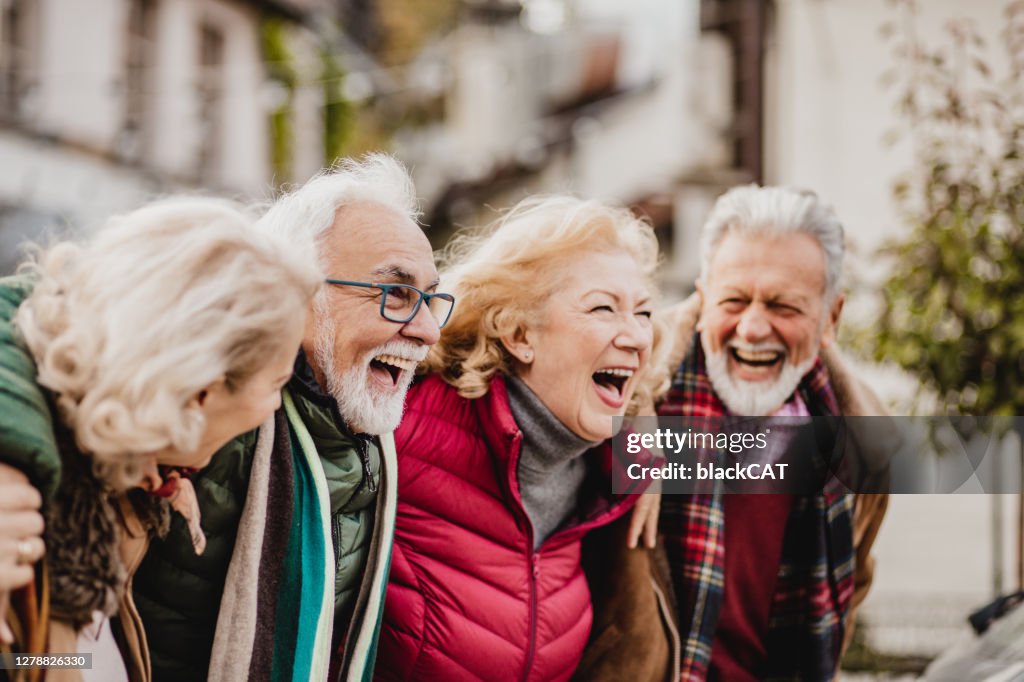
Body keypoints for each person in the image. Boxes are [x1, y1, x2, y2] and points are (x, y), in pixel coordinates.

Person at [0, 154, 450, 681]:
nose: (427, 331)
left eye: (429, 297)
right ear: (200, 391)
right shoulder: (47, 503)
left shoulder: (135, 470)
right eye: (279, 381)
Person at [0, 197, 318, 681]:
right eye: (276, 384)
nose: (276, 406)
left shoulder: (108, 475)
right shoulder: (16, 509)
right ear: (198, 393)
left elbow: (50, 661)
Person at [375, 196, 678, 682]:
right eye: (603, 308)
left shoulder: (614, 464)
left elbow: (797, 450)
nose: (638, 337)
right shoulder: (398, 427)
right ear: (519, 334)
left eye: (643, 314)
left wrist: (646, 430)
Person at [655, 185, 889, 681]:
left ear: (831, 319)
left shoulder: (862, 444)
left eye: (784, 306)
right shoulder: (631, 402)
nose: (754, 328)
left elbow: (849, 593)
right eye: (734, 300)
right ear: (702, 300)